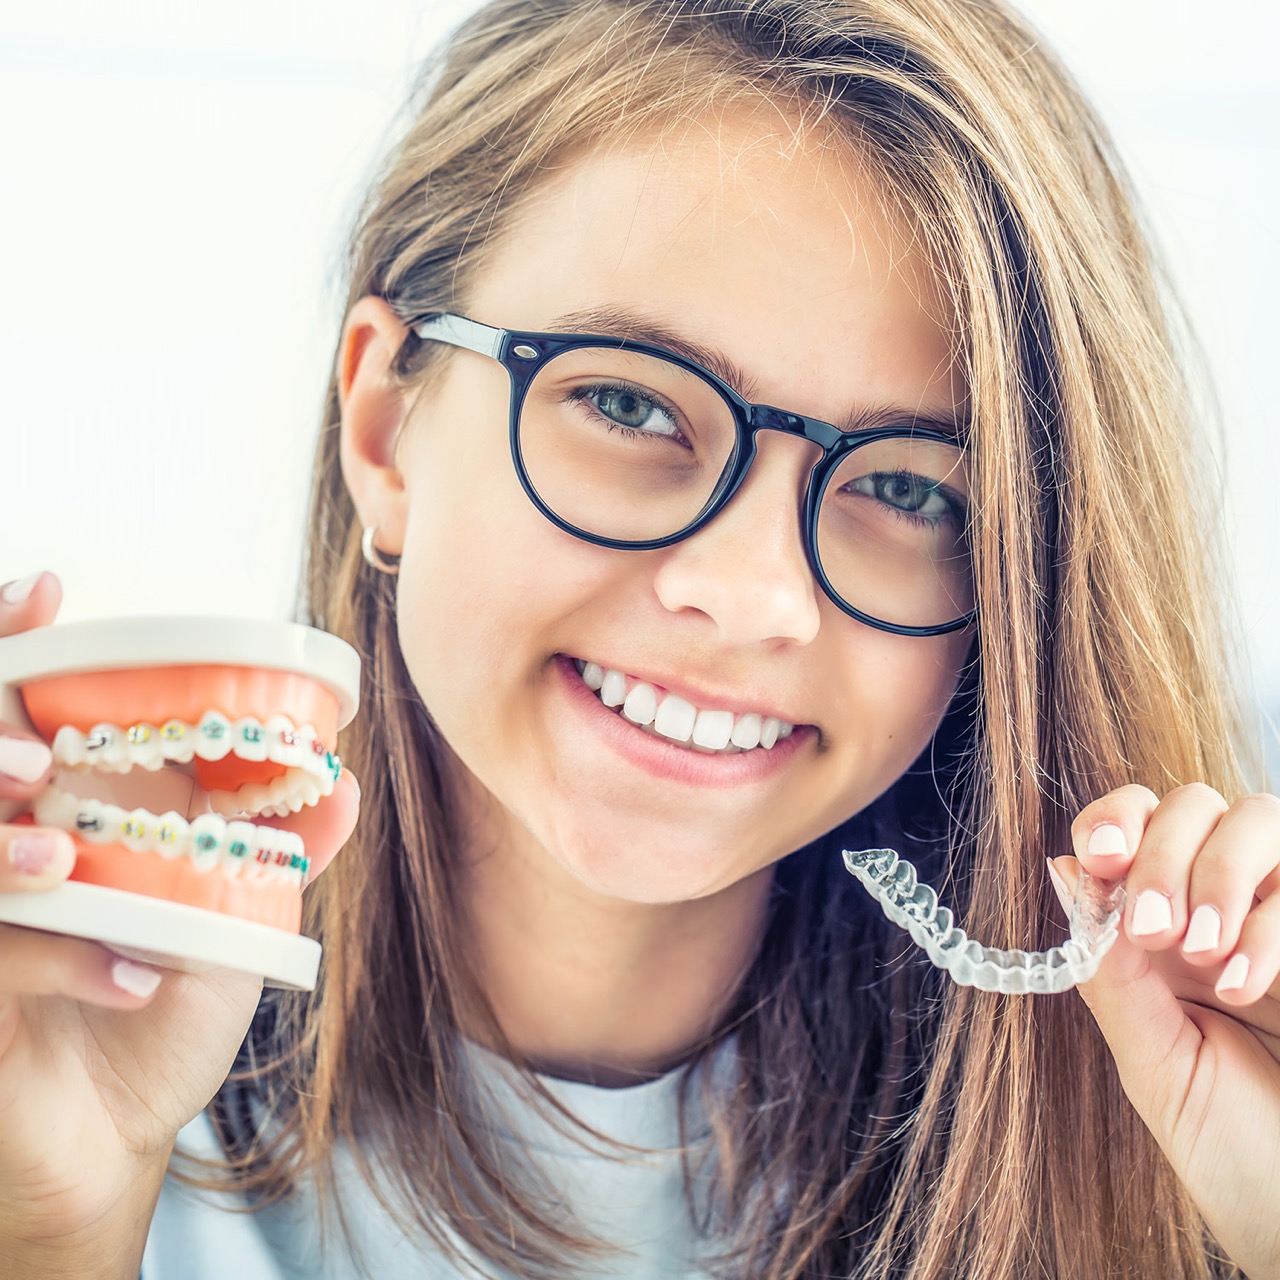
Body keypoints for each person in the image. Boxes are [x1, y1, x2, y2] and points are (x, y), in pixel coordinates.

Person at [2, 0, 1277, 1276]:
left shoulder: (1182, 1114)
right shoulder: (67, 1022)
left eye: (905, 488)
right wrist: (55, 1222)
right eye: (625, 401)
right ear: (386, 428)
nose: (748, 594)